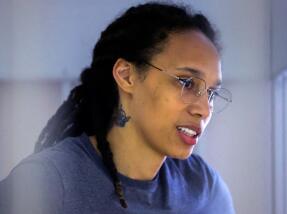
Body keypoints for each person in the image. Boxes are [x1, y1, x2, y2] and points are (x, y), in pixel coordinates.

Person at [0, 2, 235, 214]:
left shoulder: (204, 187)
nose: (204, 109)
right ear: (126, 76)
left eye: (212, 93)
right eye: (186, 82)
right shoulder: (46, 182)